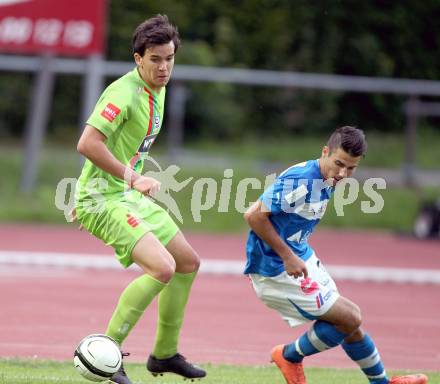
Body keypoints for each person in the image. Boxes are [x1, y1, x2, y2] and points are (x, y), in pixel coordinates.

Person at [74, 15, 206, 384]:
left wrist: (129, 182)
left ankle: (164, 355)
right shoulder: (123, 93)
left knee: (186, 262)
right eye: (155, 59)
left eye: (169, 58)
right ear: (137, 58)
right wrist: (131, 177)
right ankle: (106, 354)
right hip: (102, 199)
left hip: (124, 195)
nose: (163, 67)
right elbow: (87, 144)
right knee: (162, 268)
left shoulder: (158, 88)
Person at [243, 126, 428, 384]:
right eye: (339, 163)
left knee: (348, 323)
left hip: (301, 257)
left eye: (351, 168)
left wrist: (294, 253)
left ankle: (381, 383)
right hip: (275, 269)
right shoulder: (302, 180)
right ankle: (288, 356)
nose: (343, 173)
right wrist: (287, 256)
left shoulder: (328, 177)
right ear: (325, 152)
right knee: (350, 317)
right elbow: (253, 215)